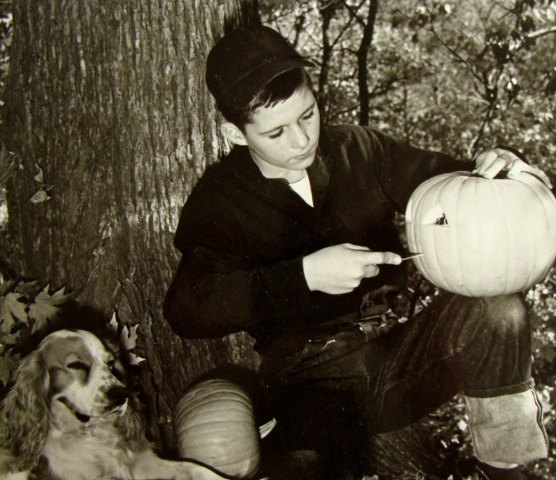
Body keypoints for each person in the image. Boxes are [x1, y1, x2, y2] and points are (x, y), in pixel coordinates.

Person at [164, 25, 550, 480]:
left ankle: (507, 469)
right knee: (307, 468)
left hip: (402, 358)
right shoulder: (220, 199)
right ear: (236, 133)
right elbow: (187, 308)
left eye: (308, 115)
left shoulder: (358, 150)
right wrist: (303, 275)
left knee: (498, 312)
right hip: (311, 381)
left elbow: (455, 189)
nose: (301, 140)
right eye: (276, 132)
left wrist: (502, 169)